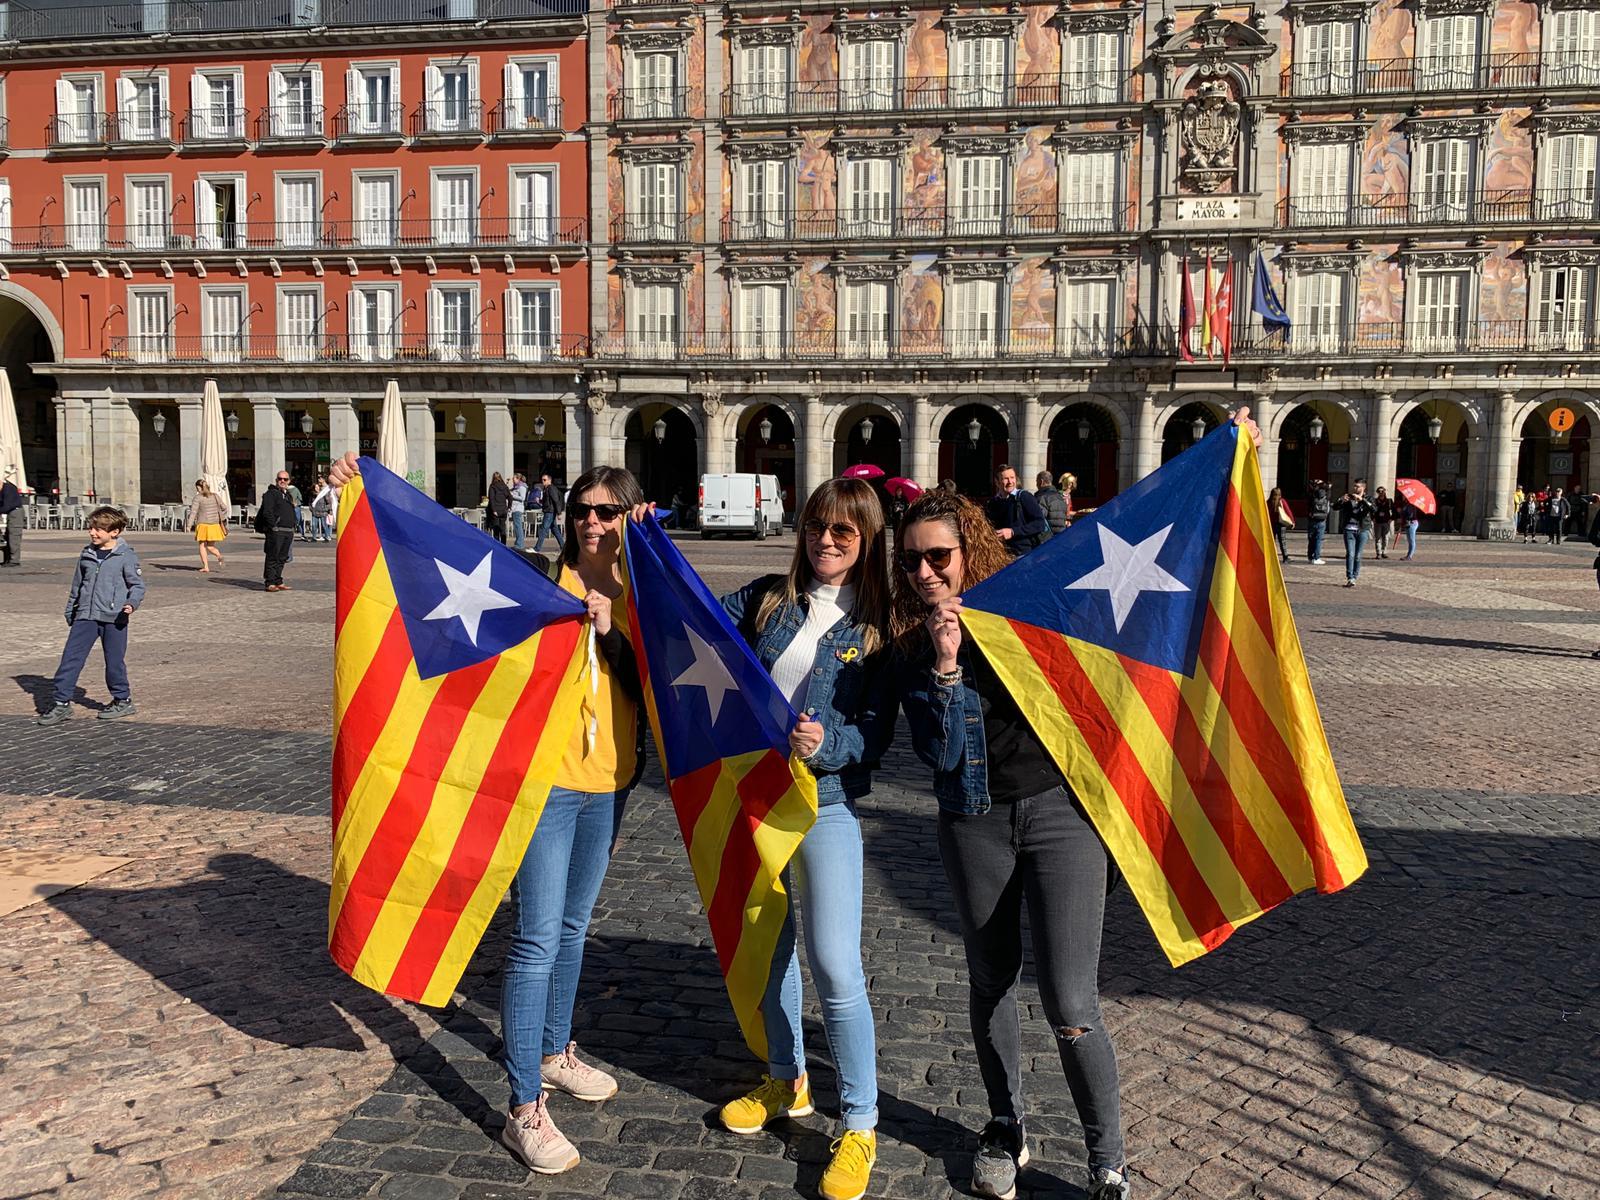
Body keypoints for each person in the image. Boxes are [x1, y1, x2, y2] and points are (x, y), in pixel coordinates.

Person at [327, 454, 646, 1175]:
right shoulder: (537, 577)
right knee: (536, 937)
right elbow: (438, 550)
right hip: (541, 786)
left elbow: (655, 680)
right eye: (582, 511)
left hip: (611, 783)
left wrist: (612, 627)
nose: (591, 522)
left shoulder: (641, 592)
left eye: (607, 511)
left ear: (630, 515)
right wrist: (367, 495)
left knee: (573, 926)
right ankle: (524, 1104)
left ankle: (556, 1050)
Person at [889, 490, 1129, 1200]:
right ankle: (1005, 1125)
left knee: (1070, 999)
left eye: (939, 556)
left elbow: (1119, 560)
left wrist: (1224, 455)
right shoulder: (913, 640)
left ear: (971, 549)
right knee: (991, 977)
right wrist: (946, 663)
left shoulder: (1025, 600)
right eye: (912, 562)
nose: (926, 572)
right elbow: (939, 753)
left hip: (1062, 815)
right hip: (974, 818)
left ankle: (1107, 1160)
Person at [714, 478, 892, 1200]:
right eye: (817, 526)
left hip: (828, 807)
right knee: (772, 949)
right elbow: (681, 616)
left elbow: (875, 736)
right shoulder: (766, 600)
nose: (825, 540)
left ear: (867, 540)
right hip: (758, 799)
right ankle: (785, 1079)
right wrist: (635, 538)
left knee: (835, 963)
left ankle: (860, 1122)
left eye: (843, 532)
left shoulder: (881, 629)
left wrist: (829, 742)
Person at [36, 506, 144, 726]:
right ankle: (61, 704)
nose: (92, 533)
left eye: (98, 529)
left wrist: (131, 604)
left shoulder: (126, 556)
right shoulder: (86, 555)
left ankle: (122, 700)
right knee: (70, 659)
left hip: (115, 618)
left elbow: (137, 586)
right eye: (91, 528)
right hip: (85, 615)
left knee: (114, 662)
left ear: (115, 532)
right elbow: (77, 586)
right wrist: (71, 611)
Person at [983, 465, 1049, 556]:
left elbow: (1040, 524)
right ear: (997, 482)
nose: (1010, 482)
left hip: (1022, 555)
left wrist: (1013, 532)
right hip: (999, 555)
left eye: (1012, 478)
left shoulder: (1024, 497)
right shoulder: (992, 502)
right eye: (1005, 479)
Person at [255, 471, 298, 592]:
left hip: (288, 530)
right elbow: (267, 512)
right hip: (276, 530)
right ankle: (270, 582)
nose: (282, 481)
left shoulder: (287, 494)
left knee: (282, 557)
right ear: (276, 480)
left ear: (289, 481)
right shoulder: (271, 494)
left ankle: (278, 580)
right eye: (280, 479)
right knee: (273, 556)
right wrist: (273, 526)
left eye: (285, 479)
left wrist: (293, 524)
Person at [1336, 479, 1376, 587]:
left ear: (1363, 487)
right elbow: (1335, 507)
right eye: (1354, 486)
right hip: (1349, 529)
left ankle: (1355, 575)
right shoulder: (1348, 497)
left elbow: (1373, 509)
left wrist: (1362, 500)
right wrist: (1341, 500)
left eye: (1358, 486)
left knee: (1358, 555)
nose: (1355, 488)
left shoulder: (1369, 498)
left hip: (1362, 529)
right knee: (1350, 554)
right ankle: (1350, 578)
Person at [184, 479, 229, 573]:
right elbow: (224, 508)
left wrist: (189, 525)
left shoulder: (198, 498)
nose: (197, 490)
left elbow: (193, 512)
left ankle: (206, 566)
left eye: (197, 488)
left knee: (202, 545)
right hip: (214, 525)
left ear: (200, 487)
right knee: (210, 546)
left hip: (203, 524)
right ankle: (219, 556)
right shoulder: (215, 496)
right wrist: (220, 516)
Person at [535, 471, 565, 552]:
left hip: (550, 511)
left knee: (543, 529)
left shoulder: (551, 488)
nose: (543, 481)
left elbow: (556, 500)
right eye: (542, 480)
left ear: (549, 480)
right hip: (548, 510)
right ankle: (563, 546)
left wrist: (559, 513)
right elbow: (548, 501)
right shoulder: (546, 489)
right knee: (555, 529)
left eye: (544, 480)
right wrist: (541, 501)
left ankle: (537, 548)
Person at [1, 465, 24, 567]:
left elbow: (7, 505)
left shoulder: (9, 488)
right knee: (7, 536)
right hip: (10, 512)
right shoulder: (3, 490)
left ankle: (14, 560)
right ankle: (7, 559)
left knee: (14, 535)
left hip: (15, 512)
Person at [1034, 471, 1069, 537]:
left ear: (1041, 482)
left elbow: (1038, 520)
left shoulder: (1042, 497)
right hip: (1060, 536)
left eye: (1037, 481)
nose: (1036, 484)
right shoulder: (1060, 497)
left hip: (1047, 539)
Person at [1306, 480, 1331, 564]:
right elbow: (1328, 487)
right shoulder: (1326, 495)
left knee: (1311, 539)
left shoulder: (1312, 495)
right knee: (1319, 539)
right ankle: (1316, 557)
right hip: (1322, 519)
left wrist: (1314, 484)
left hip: (1312, 518)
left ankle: (1310, 557)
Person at [1267, 486, 1294, 563]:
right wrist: (1292, 521)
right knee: (1282, 541)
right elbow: (1288, 511)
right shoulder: (1282, 501)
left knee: (1272, 541)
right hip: (1281, 524)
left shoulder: (1268, 502)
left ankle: (1272, 557)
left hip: (1271, 524)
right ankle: (1285, 557)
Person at [487, 471, 512, 544]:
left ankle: (497, 545)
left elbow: (491, 499)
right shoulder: (505, 486)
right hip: (504, 509)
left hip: (496, 510)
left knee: (496, 528)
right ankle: (504, 544)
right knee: (503, 527)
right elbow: (510, 497)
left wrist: (493, 510)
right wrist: (509, 507)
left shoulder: (492, 486)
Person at [310, 475, 338, 542]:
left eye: (320, 479)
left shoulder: (324, 491)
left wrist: (328, 509)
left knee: (324, 525)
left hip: (323, 511)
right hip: (315, 511)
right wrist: (311, 509)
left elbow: (328, 501)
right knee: (314, 525)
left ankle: (327, 536)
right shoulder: (313, 494)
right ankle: (314, 537)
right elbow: (310, 502)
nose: (319, 480)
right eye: (315, 487)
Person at [1372, 487, 1395, 559]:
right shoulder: (1375, 501)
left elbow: (1394, 511)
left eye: (1383, 491)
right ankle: (1378, 553)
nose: (1381, 493)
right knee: (1378, 538)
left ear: (1385, 492)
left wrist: (1391, 519)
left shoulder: (1389, 501)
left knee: (1386, 538)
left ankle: (1384, 552)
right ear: (1377, 492)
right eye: (1379, 491)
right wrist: (1373, 518)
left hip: (1386, 521)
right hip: (1377, 522)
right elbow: (1371, 510)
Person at [1397, 494, 1421, 560]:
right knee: (1409, 540)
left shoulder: (1411, 504)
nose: (1402, 496)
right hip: (1408, 523)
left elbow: (1410, 515)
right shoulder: (1405, 504)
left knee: (1411, 540)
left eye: (1404, 495)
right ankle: (1408, 555)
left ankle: (1409, 556)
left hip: (1412, 523)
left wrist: (1401, 511)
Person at [510, 472, 529, 549]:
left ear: (518, 479)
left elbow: (522, 498)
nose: (512, 480)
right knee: (517, 526)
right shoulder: (516, 487)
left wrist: (512, 495)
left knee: (518, 527)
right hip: (514, 508)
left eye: (514, 478)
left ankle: (519, 544)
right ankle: (518, 542)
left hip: (518, 508)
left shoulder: (522, 487)